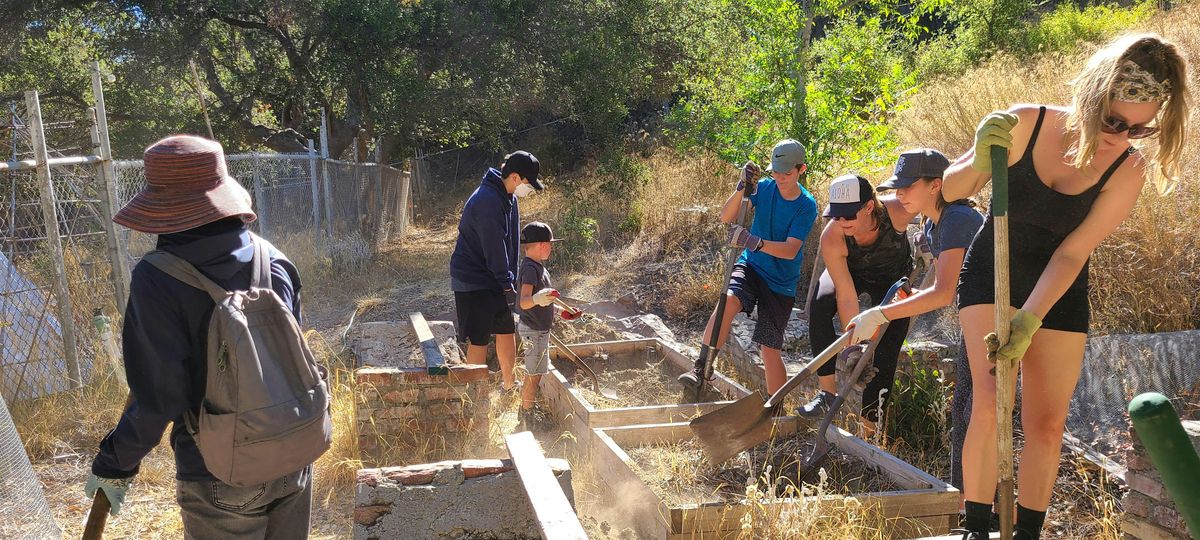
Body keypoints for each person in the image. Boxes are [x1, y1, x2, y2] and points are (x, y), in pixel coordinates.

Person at [945, 34, 1189, 540]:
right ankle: (975, 529)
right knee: (992, 398)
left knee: (1047, 422)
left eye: (1140, 128)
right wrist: (979, 154)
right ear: (1092, 98)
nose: (1122, 136)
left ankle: (1027, 533)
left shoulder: (1129, 167)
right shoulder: (1027, 122)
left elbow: (1073, 252)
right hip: (994, 267)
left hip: (1059, 284)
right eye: (1114, 121)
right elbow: (951, 190)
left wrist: (1030, 318)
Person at [85, 135, 314, 538]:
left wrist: (114, 464)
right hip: (295, 453)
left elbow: (159, 398)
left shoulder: (157, 277)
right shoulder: (275, 260)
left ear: (163, 206)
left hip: (219, 473)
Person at [849, 148, 985, 506]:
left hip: (1001, 318)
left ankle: (978, 505)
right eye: (896, 188)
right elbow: (937, 281)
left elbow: (942, 293)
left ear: (936, 185)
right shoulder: (932, 222)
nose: (899, 195)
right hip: (977, 317)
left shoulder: (957, 219)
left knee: (977, 414)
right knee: (965, 411)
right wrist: (908, 295)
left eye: (907, 187)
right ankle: (967, 502)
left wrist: (881, 314)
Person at [678, 139, 819, 395]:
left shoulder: (806, 205)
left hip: (780, 282)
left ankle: (773, 408)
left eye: (787, 173)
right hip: (752, 267)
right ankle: (701, 369)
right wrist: (742, 188)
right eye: (775, 171)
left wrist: (754, 242)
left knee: (769, 348)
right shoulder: (764, 188)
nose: (780, 177)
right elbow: (726, 216)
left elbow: (790, 250)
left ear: (802, 169)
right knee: (727, 302)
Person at [798, 174, 918, 437]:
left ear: (868, 207)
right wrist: (853, 348)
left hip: (892, 278)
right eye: (836, 215)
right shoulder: (833, 235)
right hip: (850, 273)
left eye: (848, 216)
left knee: (886, 344)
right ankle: (827, 394)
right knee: (819, 306)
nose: (842, 222)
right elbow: (847, 295)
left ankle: (870, 431)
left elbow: (936, 204)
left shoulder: (897, 211)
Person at [450, 151, 543, 392]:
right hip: (474, 280)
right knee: (479, 338)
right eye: (527, 183)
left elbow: (509, 244)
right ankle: (473, 396)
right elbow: (494, 248)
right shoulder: (487, 201)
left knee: (505, 329)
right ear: (514, 177)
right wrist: (505, 283)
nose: (528, 189)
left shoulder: (508, 197)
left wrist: (508, 281)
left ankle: (509, 385)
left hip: (497, 277)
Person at [515, 221, 562, 429]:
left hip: (539, 329)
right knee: (534, 374)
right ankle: (528, 417)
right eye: (548, 244)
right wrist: (536, 299)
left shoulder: (538, 268)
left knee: (536, 372)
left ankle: (525, 409)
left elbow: (545, 299)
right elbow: (524, 302)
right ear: (539, 245)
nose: (551, 247)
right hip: (533, 331)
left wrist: (561, 311)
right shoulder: (530, 269)